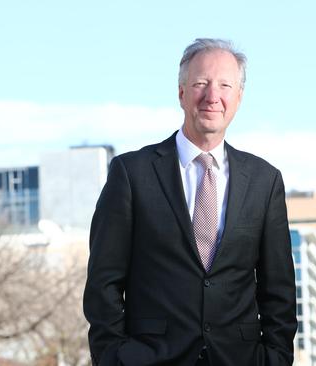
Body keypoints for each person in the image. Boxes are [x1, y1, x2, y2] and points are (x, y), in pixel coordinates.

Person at [83, 38, 297, 366]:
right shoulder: (131, 174)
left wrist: (276, 358)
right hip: (150, 359)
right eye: (201, 83)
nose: (213, 96)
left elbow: (278, 291)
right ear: (181, 92)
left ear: (239, 97)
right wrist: (114, 357)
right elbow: (103, 282)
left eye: (225, 85)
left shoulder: (264, 182)